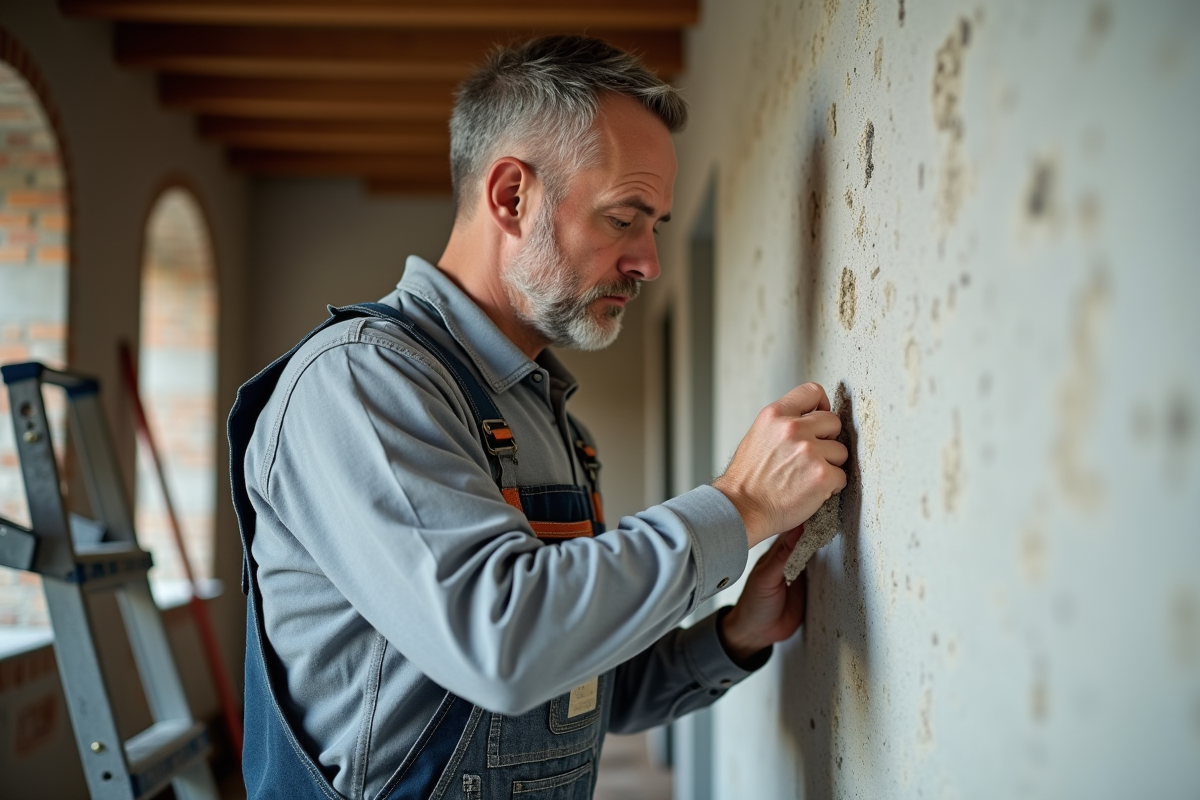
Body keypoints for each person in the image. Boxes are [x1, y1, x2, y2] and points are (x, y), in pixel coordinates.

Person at [227, 35, 848, 800]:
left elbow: (577, 688)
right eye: (626, 218)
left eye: (654, 224)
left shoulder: (547, 418)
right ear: (512, 197)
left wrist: (730, 636)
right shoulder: (359, 382)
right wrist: (742, 505)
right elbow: (507, 648)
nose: (650, 261)